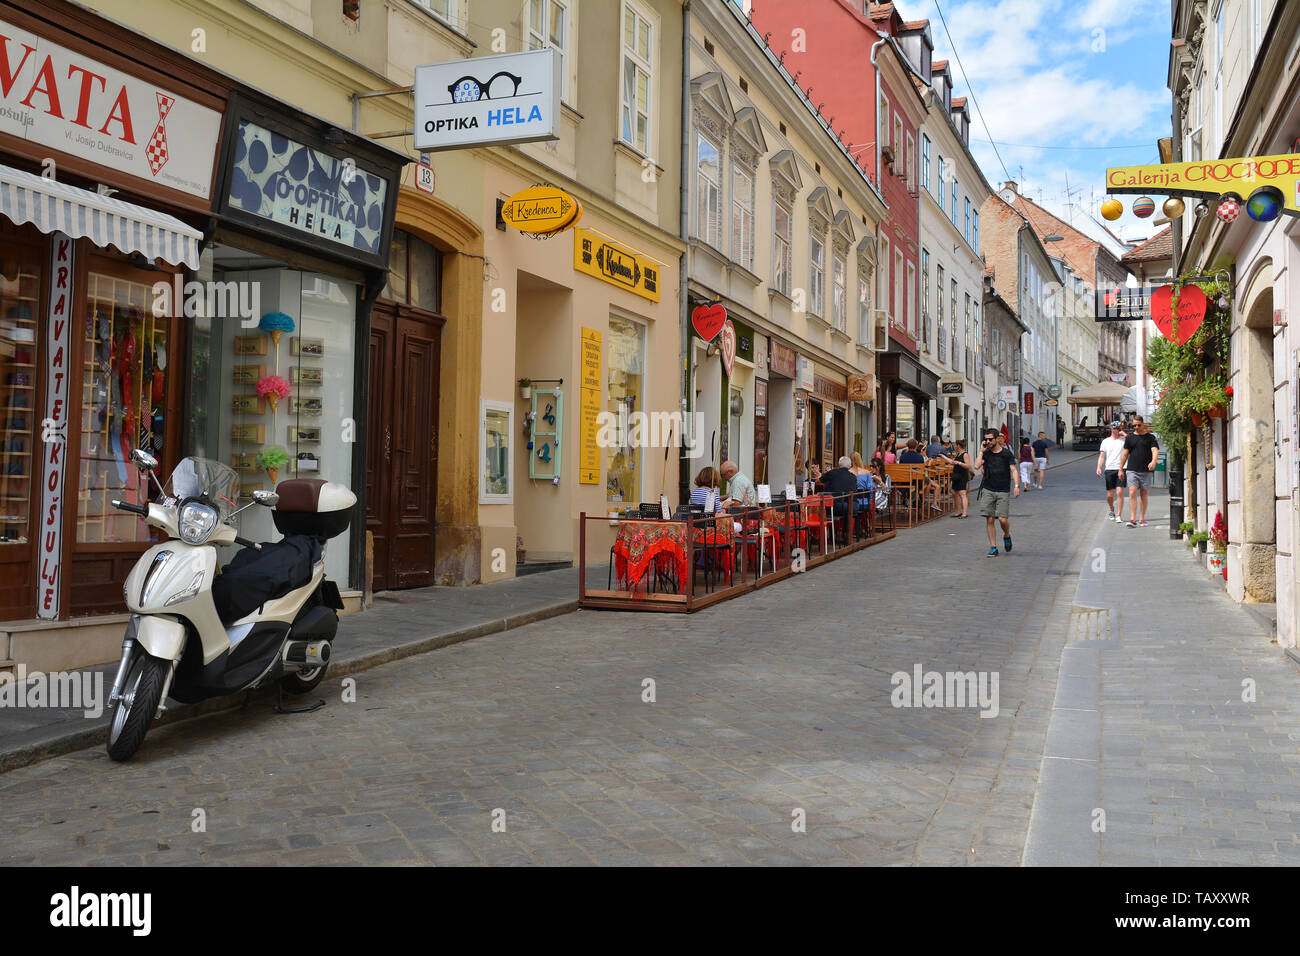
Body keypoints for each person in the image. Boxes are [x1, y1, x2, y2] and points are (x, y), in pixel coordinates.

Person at [973, 427, 1020, 557]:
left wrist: (1016, 485)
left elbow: (1014, 470)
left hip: (1003, 490)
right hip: (988, 489)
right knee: (990, 519)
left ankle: (1006, 535)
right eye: (986, 439)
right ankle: (993, 547)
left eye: (990, 439)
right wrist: (981, 451)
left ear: (996, 439)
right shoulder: (986, 453)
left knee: (1003, 519)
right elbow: (976, 466)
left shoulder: (1006, 454)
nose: (988, 441)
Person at [1118, 414, 1159, 527]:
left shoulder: (1150, 437)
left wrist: (1154, 461)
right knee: (1132, 492)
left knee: (1144, 494)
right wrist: (1120, 469)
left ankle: (1142, 518)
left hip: (1146, 470)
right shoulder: (1130, 438)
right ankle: (1132, 519)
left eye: (1138, 425)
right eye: (1134, 425)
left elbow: (1155, 450)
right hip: (1132, 470)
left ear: (1143, 424)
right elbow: (1125, 454)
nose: (1136, 427)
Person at [1096, 420, 1125, 522]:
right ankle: (1111, 508)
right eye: (1114, 428)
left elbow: (1133, 440)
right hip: (1109, 469)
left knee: (1120, 492)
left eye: (1118, 428)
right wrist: (1099, 467)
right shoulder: (1105, 441)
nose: (1116, 430)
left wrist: (1124, 434)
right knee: (1110, 495)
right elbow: (1102, 456)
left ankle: (1119, 515)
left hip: (1121, 468)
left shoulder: (1123, 440)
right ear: (1111, 429)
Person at [949, 439, 972, 518]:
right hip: (956, 476)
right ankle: (958, 511)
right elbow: (952, 462)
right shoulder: (958, 454)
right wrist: (942, 456)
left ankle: (964, 513)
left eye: (955, 445)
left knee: (962, 493)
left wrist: (959, 463)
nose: (954, 446)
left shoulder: (965, 454)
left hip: (962, 475)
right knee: (954, 492)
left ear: (958, 446)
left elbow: (968, 465)